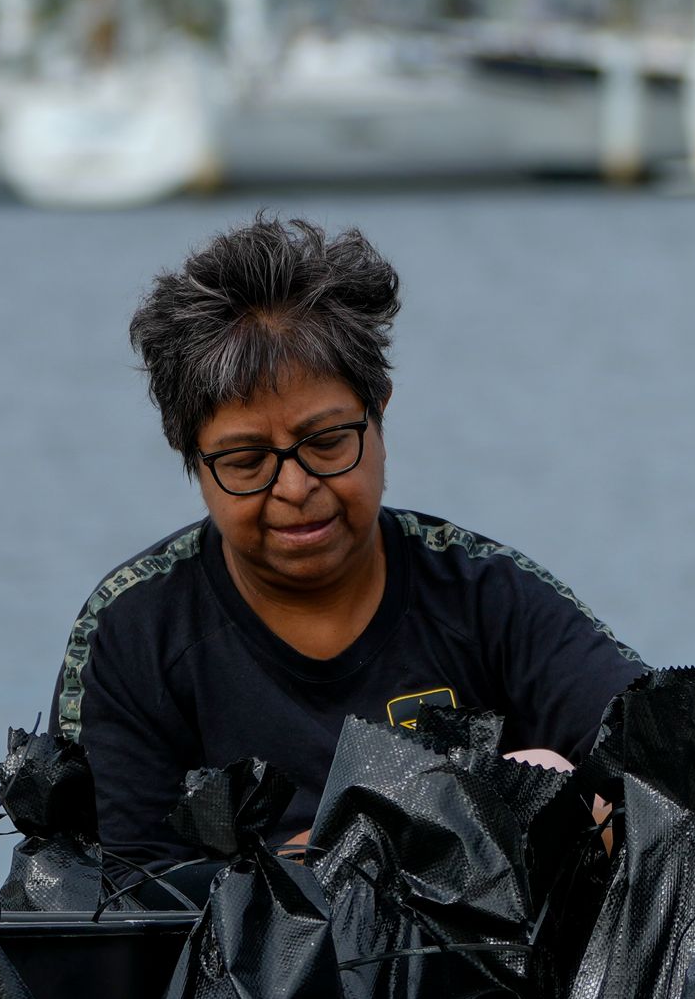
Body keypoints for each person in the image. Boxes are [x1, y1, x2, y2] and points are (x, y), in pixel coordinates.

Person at [53, 214, 643, 855]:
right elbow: (106, 895)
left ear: (379, 410)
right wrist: (314, 875)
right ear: (191, 457)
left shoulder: (491, 598)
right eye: (247, 461)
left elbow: (671, 766)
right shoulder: (132, 633)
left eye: (328, 442)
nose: (295, 488)